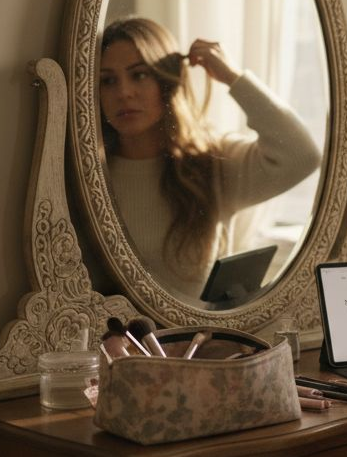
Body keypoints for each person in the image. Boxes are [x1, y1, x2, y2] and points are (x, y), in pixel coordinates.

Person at [98, 17, 322, 302]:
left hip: (201, 344)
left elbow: (302, 156)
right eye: (108, 80)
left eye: (139, 75)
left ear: (166, 80)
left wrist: (233, 77)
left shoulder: (213, 164)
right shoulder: (88, 174)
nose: (123, 92)